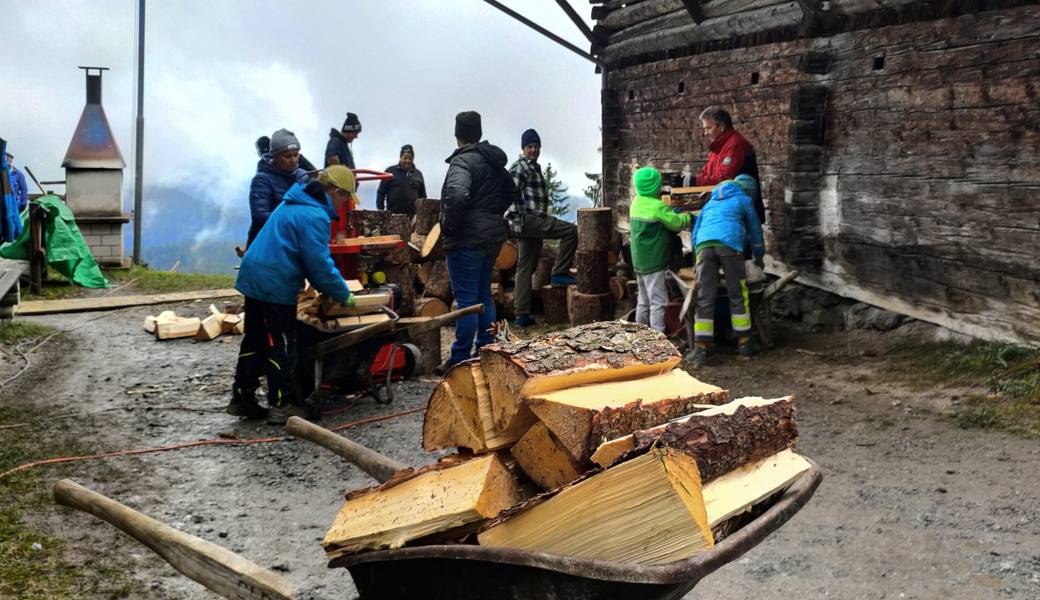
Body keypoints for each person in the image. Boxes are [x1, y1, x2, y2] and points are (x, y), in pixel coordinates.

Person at [229, 166, 359, 424]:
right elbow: (318, 264)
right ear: (336, 192)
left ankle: (242, 398)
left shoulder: (294, 201)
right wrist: (342, 293)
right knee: (283, 345)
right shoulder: (314, 215)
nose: (344, 204)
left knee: (255, 340)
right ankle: (282, 404)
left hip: (255, 275)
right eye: (346, 198)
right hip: (274, 282)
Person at [435, 111, 518, 375]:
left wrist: (449, 225)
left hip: (466, 240)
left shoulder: (462, 161)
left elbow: (458, 194)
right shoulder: (492, 159)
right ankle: (486, 350)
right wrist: (491, 214)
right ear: (478, 133)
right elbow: (511, 190)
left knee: (467, 301)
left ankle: (459, 358)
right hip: (491, 238)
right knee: (484, 296)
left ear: (457, 134)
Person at [689, 174, 765, 366]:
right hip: (730, 246)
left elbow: (696, 232)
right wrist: (758, 257)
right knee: (737, 293)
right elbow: (755, 230)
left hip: (704, 246)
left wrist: (699, 257)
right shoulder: (744, 200)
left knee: (704, 296)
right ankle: (745, 344)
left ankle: (700, 349)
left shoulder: (710, 203)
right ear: (749, 192)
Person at [507, 129, 577, 328]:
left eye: (536, 146)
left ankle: (521, 314)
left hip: (527, 221)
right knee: (571, 231)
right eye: (529, 146)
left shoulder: (533, 167)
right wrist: (513, 219)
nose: (533, 150)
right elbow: (509, 193)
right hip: (528, 219)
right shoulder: (520, 167)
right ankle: (559, 273)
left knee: (525, 266)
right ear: (523, 148)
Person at [629, 167, 691, 334]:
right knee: (658, 301)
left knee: (643, 300)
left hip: (639, 260)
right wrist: (687, 217)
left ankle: (639, 334)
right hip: (654, 260)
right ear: (655, 186)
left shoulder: (636, 202)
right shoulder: (658, 206)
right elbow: (676, 224)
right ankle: (658, 335)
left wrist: (669, 212)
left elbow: (659, 218)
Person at [695, 107, 764, 224]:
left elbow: (726, 178)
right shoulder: (717, 146)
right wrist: (691, 182)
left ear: (721, 126)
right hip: (725, 207)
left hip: (740, 209)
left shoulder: (736, 144)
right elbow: (706, 172)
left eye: (709, 128)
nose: (705, 133)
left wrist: (693, 182)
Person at [246, 129, 309, 247]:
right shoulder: (262, 180)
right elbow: (260, 216)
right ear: (275, 155)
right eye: (287, 156)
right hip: (267, 245)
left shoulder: (303, 176)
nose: (293, 160)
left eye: (296, 155)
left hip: (296, 244)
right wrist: (294, 220)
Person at [376, 145, 427, 216]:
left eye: (410, 158)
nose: (407, 161)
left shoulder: (418, 174)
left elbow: (423, 197)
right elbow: (381, 192)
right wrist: (381, 211)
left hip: (413, 216)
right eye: (405, 158)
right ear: (400, 158)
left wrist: (421, 214)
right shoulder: (390, 172)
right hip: (393, 215)